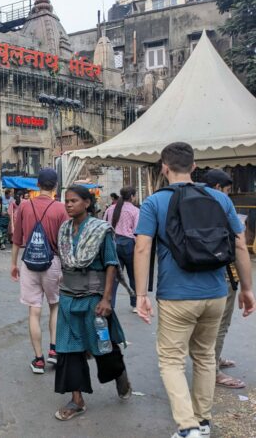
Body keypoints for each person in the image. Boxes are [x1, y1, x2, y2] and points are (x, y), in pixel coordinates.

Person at [134, 143, 255, 438]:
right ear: (194, 165)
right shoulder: (219, 198)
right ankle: (203, 421)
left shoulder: (154, 202)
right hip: (215, 292)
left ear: (164, 167)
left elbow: (142, 247)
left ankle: (188, 427)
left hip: (176, 296)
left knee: (172, 361)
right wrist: (247, 288)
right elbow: (240, 244)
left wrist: (140, 296)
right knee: (204, 357)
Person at [54, 185, 131, 421]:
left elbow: (111, 264)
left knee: (103, 349)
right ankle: (77, 400)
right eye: (66, 201)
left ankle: (119, 374)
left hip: (93, 298)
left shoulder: (101, 230)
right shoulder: (65, 229)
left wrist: (107, 298)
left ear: (87, 203)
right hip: (68, 297)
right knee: (68, 350)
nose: (68, 204)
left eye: (74, 200)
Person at [11, 169, 68, 374]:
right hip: (53, 262)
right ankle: (54, 351)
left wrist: (13, 264)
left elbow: (17, 238)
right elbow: (65, 243)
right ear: (55, 186)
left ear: (37, 184)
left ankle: (38, 360)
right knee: (55, 306)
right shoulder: (61, 209)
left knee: (34, 310)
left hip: (29, 263)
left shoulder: (25, 206)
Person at [204, 169, 245, 389]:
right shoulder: (222, 207)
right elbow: (238, 246)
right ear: (218, 189)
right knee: (219, 326)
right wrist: (247, 287)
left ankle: (213, 361)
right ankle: (213, 372)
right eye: (227, 191)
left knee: (211, 327)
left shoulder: (193, 207)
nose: (228, 196)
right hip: (224, 275)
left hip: (202, 277)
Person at [104, 186, 140, 311]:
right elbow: (137, 231)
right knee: (133, 275)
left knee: (113, 276)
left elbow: (105, 226)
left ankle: (110, 303)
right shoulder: (135, 211)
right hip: (129, 244)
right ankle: (135, 304)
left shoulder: (110, 209)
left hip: (113, 243)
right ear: (132, 197)